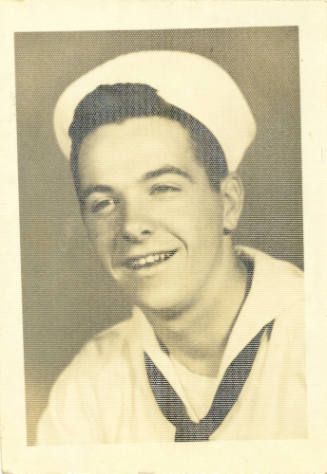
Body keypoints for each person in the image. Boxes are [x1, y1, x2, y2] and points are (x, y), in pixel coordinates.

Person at [37, 50, 306, 444]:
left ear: (228, 203)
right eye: (103, 203)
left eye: (162, 188)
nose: (131, 226)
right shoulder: (89, 384)